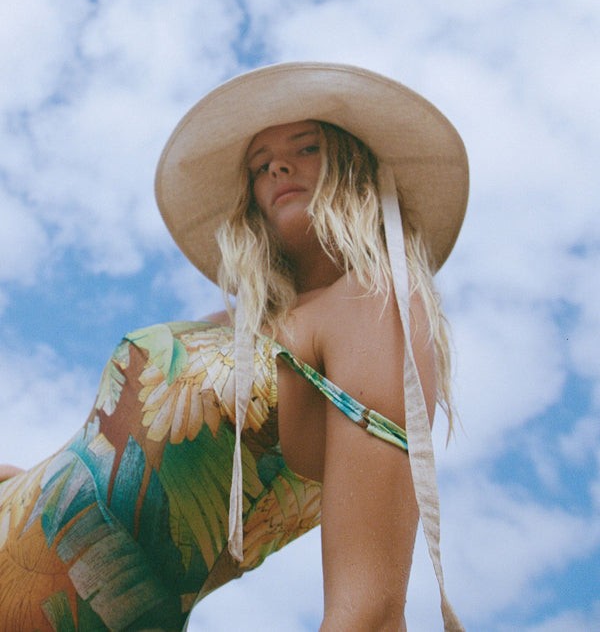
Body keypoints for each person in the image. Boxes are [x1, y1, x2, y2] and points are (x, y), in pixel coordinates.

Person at [0, 62, 468, 631]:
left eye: (308, 147)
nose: (277, 165)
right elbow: (93, 472)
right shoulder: (230, 325)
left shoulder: (372, 306)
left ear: (358, 170)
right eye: (260, 164)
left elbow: (367, 612)